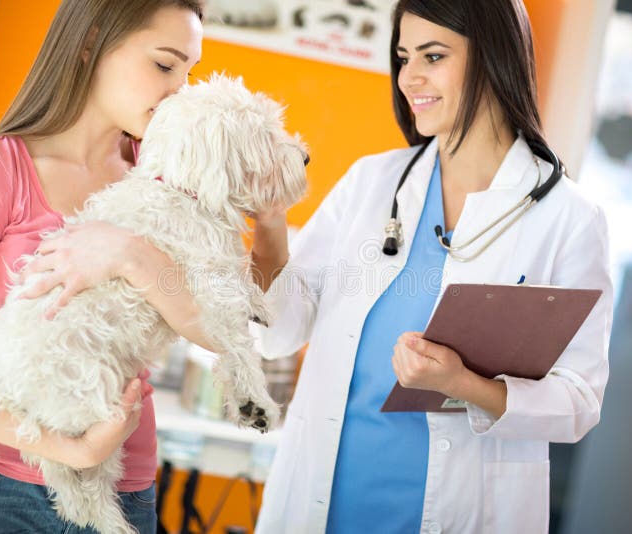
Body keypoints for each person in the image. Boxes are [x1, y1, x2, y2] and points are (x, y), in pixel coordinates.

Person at [249, 1, 613, 532]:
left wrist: (464, 385)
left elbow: (580, 401)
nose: (408, 77)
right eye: (403, 57)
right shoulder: (371, 184)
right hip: (324, 502)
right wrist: (269, 223)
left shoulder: (569, 218)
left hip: (462, 510)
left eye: (433, 55)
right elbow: (276, 333)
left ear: (492, 58)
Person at [0, 1, 207, 532]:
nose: (179, 92)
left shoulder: (163, 185)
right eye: (165, 65)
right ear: (91, 43)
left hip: (121, 494)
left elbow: (214, 325)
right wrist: (68, 449)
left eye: (189, 73)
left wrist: (135, 256)